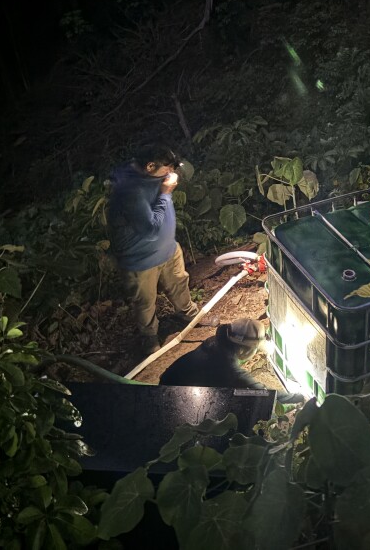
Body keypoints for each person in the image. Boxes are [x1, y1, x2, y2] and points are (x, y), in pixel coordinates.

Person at [107, 143, 199, 354]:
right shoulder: (130, 191)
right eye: (167, 169)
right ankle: (149, 336)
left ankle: (188, 313)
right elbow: (149, 229)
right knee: (145, 301)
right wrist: (166, 192)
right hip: (141, 259)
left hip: (167, 248)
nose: (171, 173)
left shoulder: (151, 176)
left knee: (179, 281)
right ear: (149, 166)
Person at [159, 318, 305, 404]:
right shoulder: (228, 369)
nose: (255, 352)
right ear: (243, 350)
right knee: (244, 400)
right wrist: (298, 397)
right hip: (174, 396)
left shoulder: (216, 342)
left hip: (169, 378)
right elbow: (262, 392)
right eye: (255, 349)